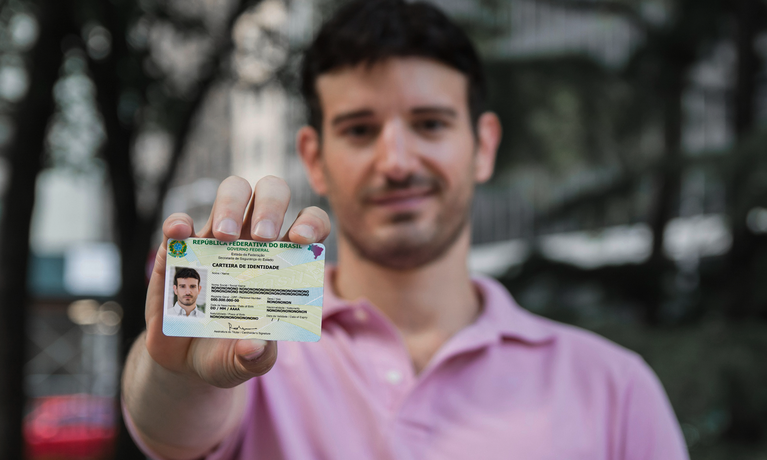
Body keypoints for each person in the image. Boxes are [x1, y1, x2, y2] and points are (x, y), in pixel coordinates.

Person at [122, 1, 689, 459]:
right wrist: (180, 375)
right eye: (360, 128)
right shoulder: (255, 346)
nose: (396, 160)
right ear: (314, 157)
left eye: (430, 123)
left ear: (483, 145)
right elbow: (171, 428)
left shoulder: (615, 389)